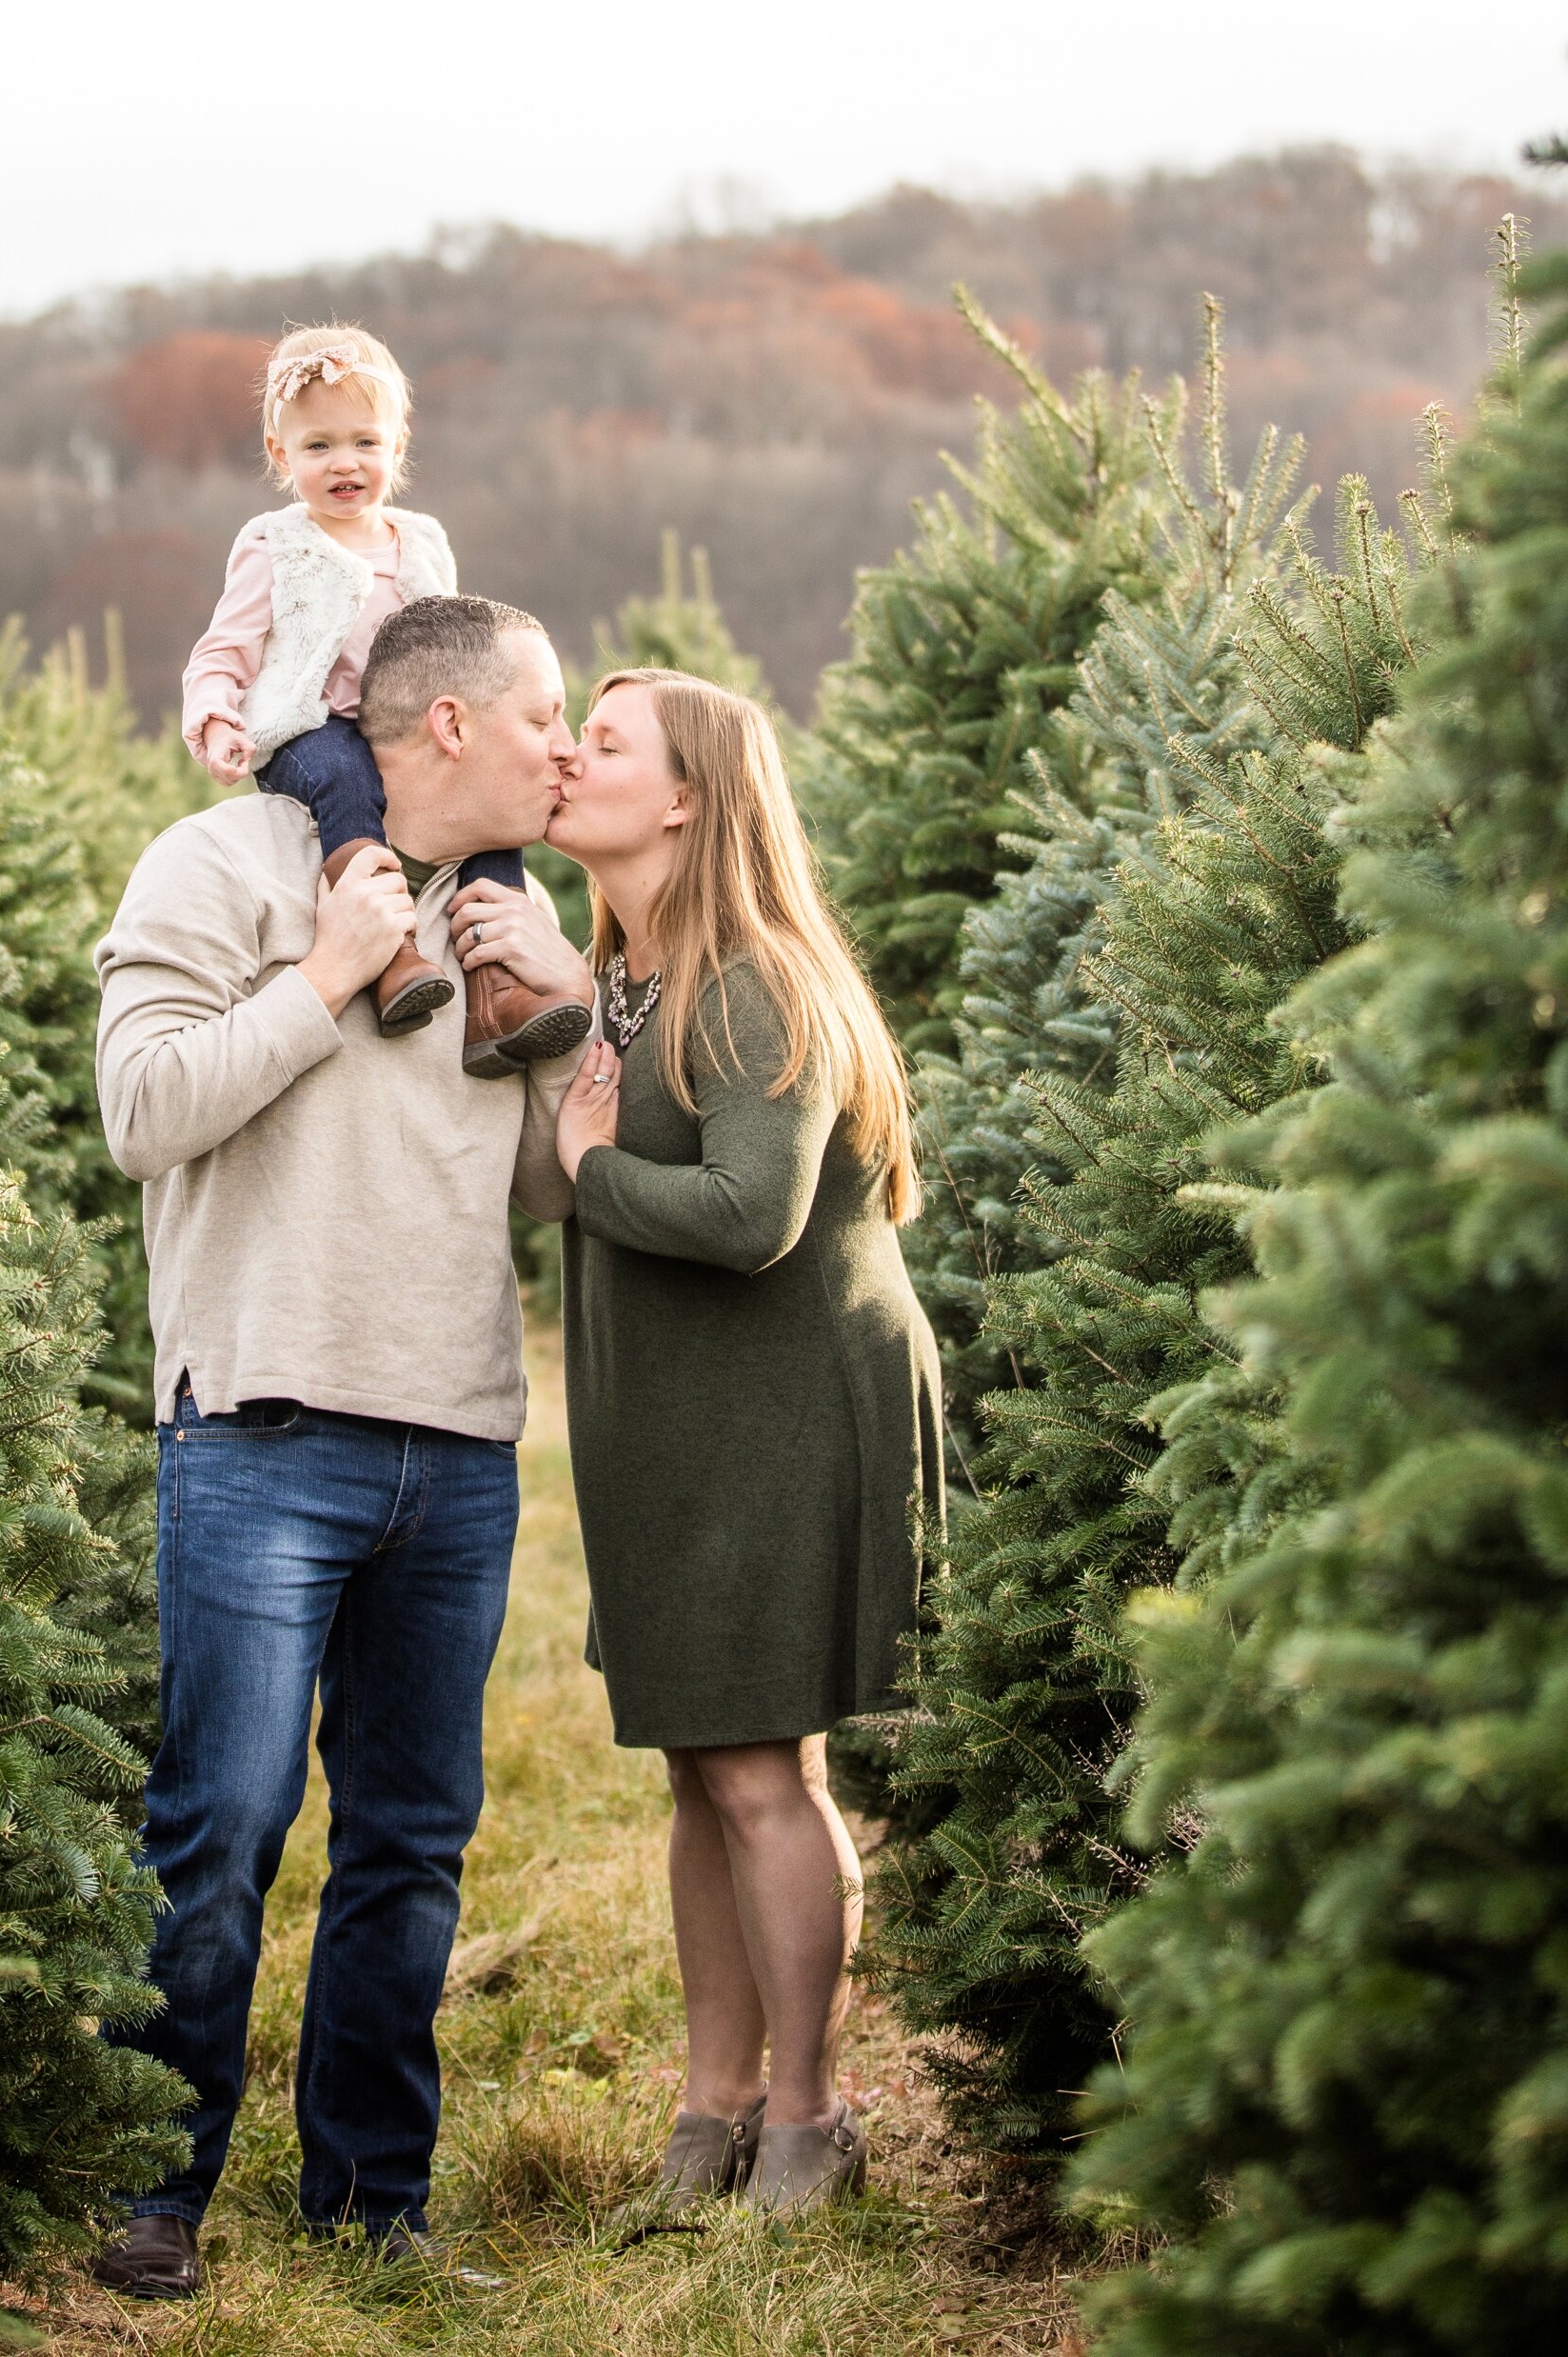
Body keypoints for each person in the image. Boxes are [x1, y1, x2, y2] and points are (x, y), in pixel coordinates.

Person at [88, 593, 594, 2297]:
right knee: (220, 1825)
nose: (566, 748)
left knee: (411, 1837)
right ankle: (156, 2179)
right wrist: (319, 975)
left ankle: (373, 2199)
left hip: (452, 1443)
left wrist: (573, 1029)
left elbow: (537, 1189)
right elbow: (144, 1113)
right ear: (447, 726)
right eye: (543, 717)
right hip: (257, 1424)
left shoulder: (505, 912)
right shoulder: (222, 863)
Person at [522, 668, 942, 2221]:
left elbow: (753, 1216)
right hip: (675, 1422)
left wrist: (584, 1161)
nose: (570, 756)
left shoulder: (753, 975)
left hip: (778, 1406)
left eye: (607, 745)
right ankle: (709, 2112)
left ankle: (808, 2122)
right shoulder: (621, 977)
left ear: (688, 798)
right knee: (701, 1769)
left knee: (766, 1769)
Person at [181, 320, 589, 1073]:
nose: (346, 463)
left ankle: (497, 989)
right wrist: (217, 718)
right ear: (281, 455)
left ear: (398, 448)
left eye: (365, 443)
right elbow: (223, 650)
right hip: (314, 729)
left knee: (489, 806)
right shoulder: (275, 545)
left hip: (408, 727)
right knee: (347, 779)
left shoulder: (422, 541)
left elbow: (462, 650)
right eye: (318, 446)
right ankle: (392, 952)